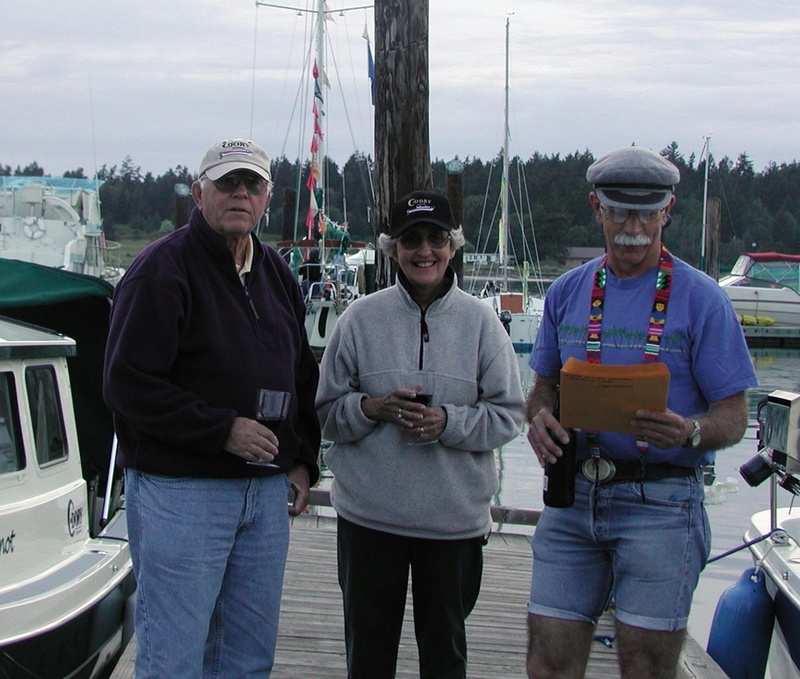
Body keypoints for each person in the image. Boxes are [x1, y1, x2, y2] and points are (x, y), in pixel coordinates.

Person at [524, 146, 758, 679]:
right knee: (546, 662)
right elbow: (541, 389)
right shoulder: (567, 292)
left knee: (647, 668)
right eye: (620, 211)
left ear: (668, 210)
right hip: (573, 497)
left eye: (648, 213)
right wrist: (538, 420)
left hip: (663, 503)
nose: (634, 227)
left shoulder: (703, 299)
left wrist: (691, 430)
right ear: (596, 208)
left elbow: (735, 415)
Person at [103, 138, 321, 678]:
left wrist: (302, 460)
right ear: (200, 192)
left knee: (248, 661)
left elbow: (301, 376)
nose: (240, 194)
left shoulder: (277, 274)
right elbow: (127, 383)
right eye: (227, 183)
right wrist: (222, 430)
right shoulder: (161, 270)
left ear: (267, 198)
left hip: (265, 494)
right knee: (173, 659)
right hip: (182, 494)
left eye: (252, 184)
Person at [316, 189, 525, 679]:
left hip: (452, 526)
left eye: (435, 238)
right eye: (411, 240)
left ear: (453, 247)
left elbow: (509, 415)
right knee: (367, 657)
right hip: (370, 521)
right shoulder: (357, 319)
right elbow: (325, 413)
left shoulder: (483, 324)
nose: (424, 251)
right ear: (392, 249)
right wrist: (372, 408)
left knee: (446, 655)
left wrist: (448, 423)